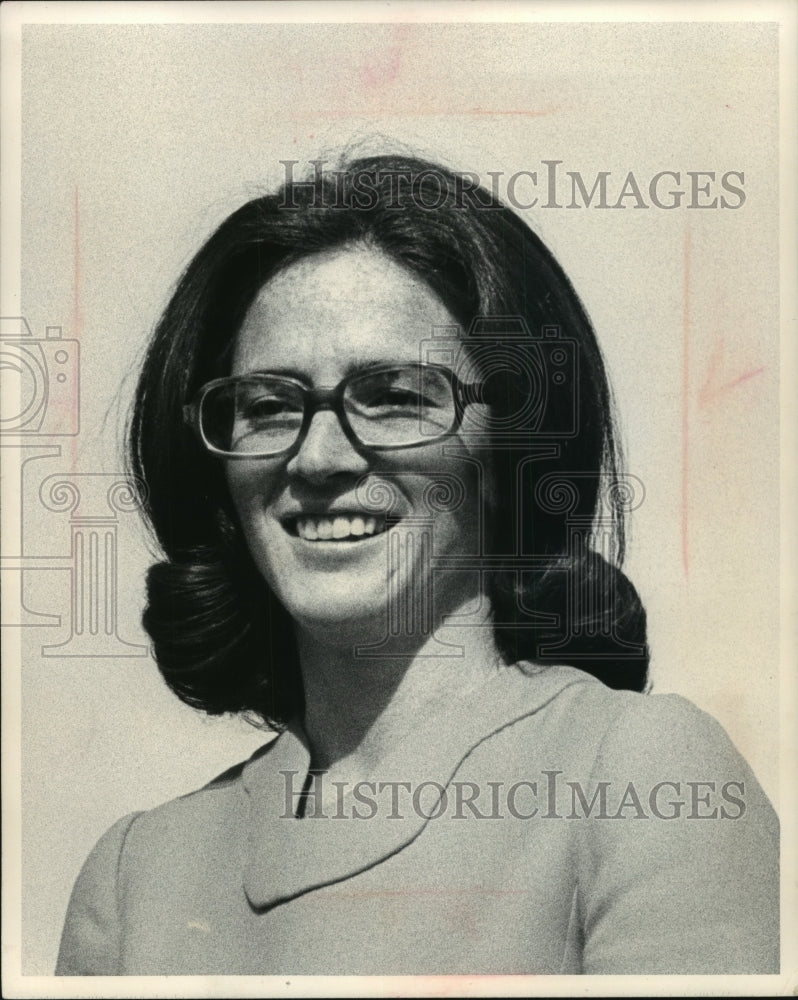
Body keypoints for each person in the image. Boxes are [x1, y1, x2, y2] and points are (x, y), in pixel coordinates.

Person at [56, 153, 778, 976]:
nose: (320, 458)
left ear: (514, 444)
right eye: (267, 406)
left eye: (397, 395)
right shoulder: (136, 875)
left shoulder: (637, 778)